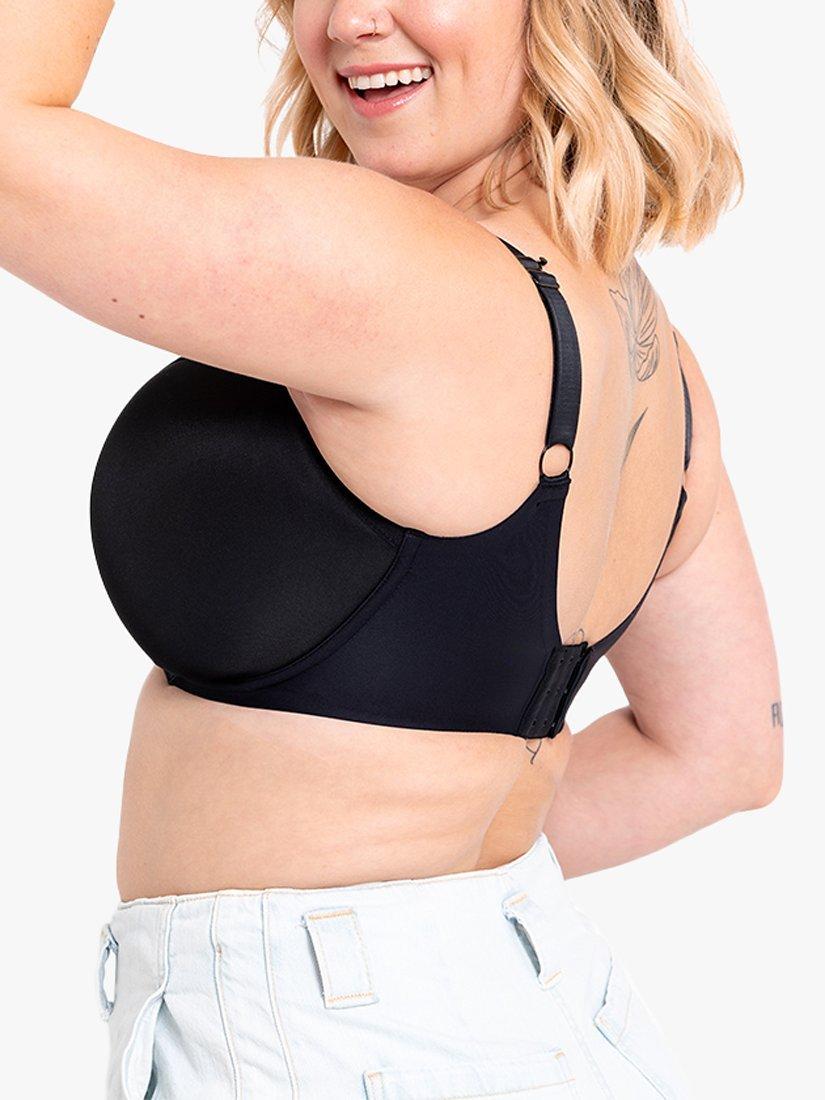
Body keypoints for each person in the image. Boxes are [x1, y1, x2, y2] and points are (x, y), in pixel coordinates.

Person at [0, 0, 782, 1097]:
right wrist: (431, 883)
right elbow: (723, 752)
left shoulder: (395, 267)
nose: (353, 18)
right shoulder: (661, 362)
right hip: (514, 1011)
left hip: (332, 1042)